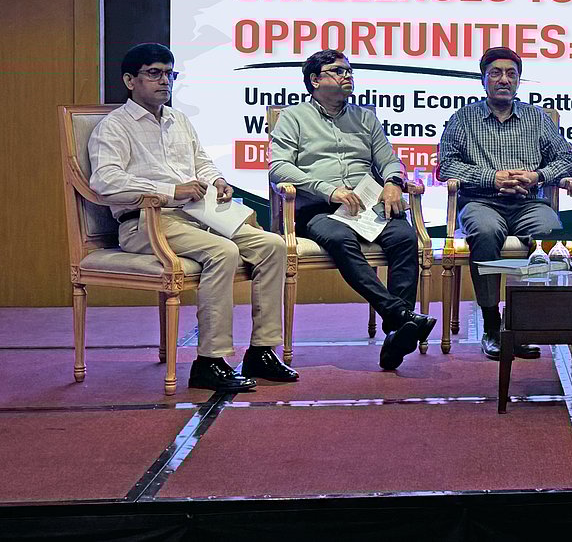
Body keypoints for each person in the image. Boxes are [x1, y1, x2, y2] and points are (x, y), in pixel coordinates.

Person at [89, 43, 297, 393]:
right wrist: (172, 190)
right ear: (129, 80)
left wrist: (217, 180)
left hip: (198, 215)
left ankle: (261, 351)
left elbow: (201, 161)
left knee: (273, 245)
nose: (165, 81)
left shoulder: (178, 119)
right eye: (154, 73)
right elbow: (106, 181)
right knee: (224, 252)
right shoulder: (114, 127)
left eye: (170, 74)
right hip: (146, 222)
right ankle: (209, 362)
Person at [269, 50, 435, 371]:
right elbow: (279, 168)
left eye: (349, 71)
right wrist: (329, 190)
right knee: (340, 239)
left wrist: (393, 181)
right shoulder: (293, 118)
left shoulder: (365, 117)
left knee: (403, 236)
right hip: (318, 208)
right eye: (337, 71)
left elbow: (389, 158)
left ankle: (395, 332)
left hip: (365, 205)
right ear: (315, 81)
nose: (347, 76)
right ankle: (399, 315)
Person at [437, 47, 572, 361]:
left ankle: (524, 321)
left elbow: (568, 160)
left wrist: (537, 176)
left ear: (518, 81)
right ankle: (492, 323)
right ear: (483, 79)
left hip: (529, 203)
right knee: (485, 232)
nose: (504, 79)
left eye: (511, 74)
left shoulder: (536, 117)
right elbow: (445, 167)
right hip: (482, 202)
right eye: (496, 73)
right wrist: (492, 178)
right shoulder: (464, 118)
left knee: (549, 230)